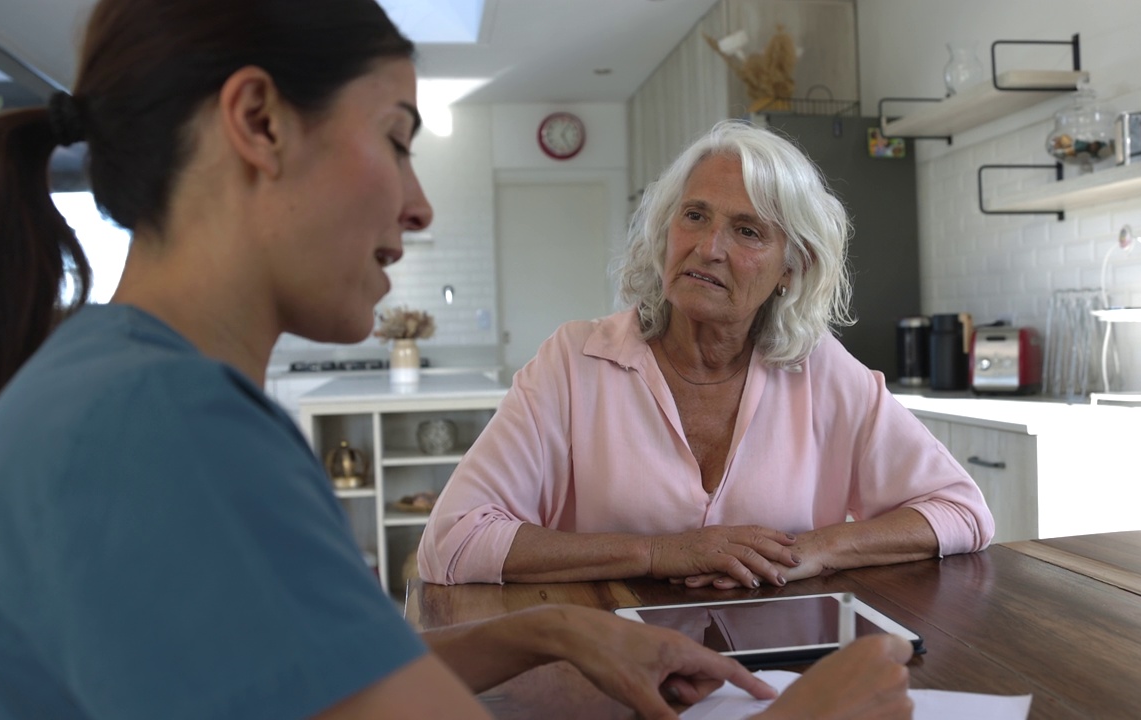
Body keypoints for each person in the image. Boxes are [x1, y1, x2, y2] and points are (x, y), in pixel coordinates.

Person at [0, 1, 917, 718]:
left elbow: (317, 686)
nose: (419, 206)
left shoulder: (121, 390)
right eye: (395, 139)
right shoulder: (164, 434)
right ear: (258, 121)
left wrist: (548, 627)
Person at [418, 120, 995, 589]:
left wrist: (818, 550)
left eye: (747, 231)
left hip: (779, 663)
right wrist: (658, 554)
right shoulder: (575, 362)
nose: (708, 248)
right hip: (609, 662)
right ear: (664, 232)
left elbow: (963, 512)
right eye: (694, 216)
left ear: (789, 271)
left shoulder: (819, 370)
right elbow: (454, 540)